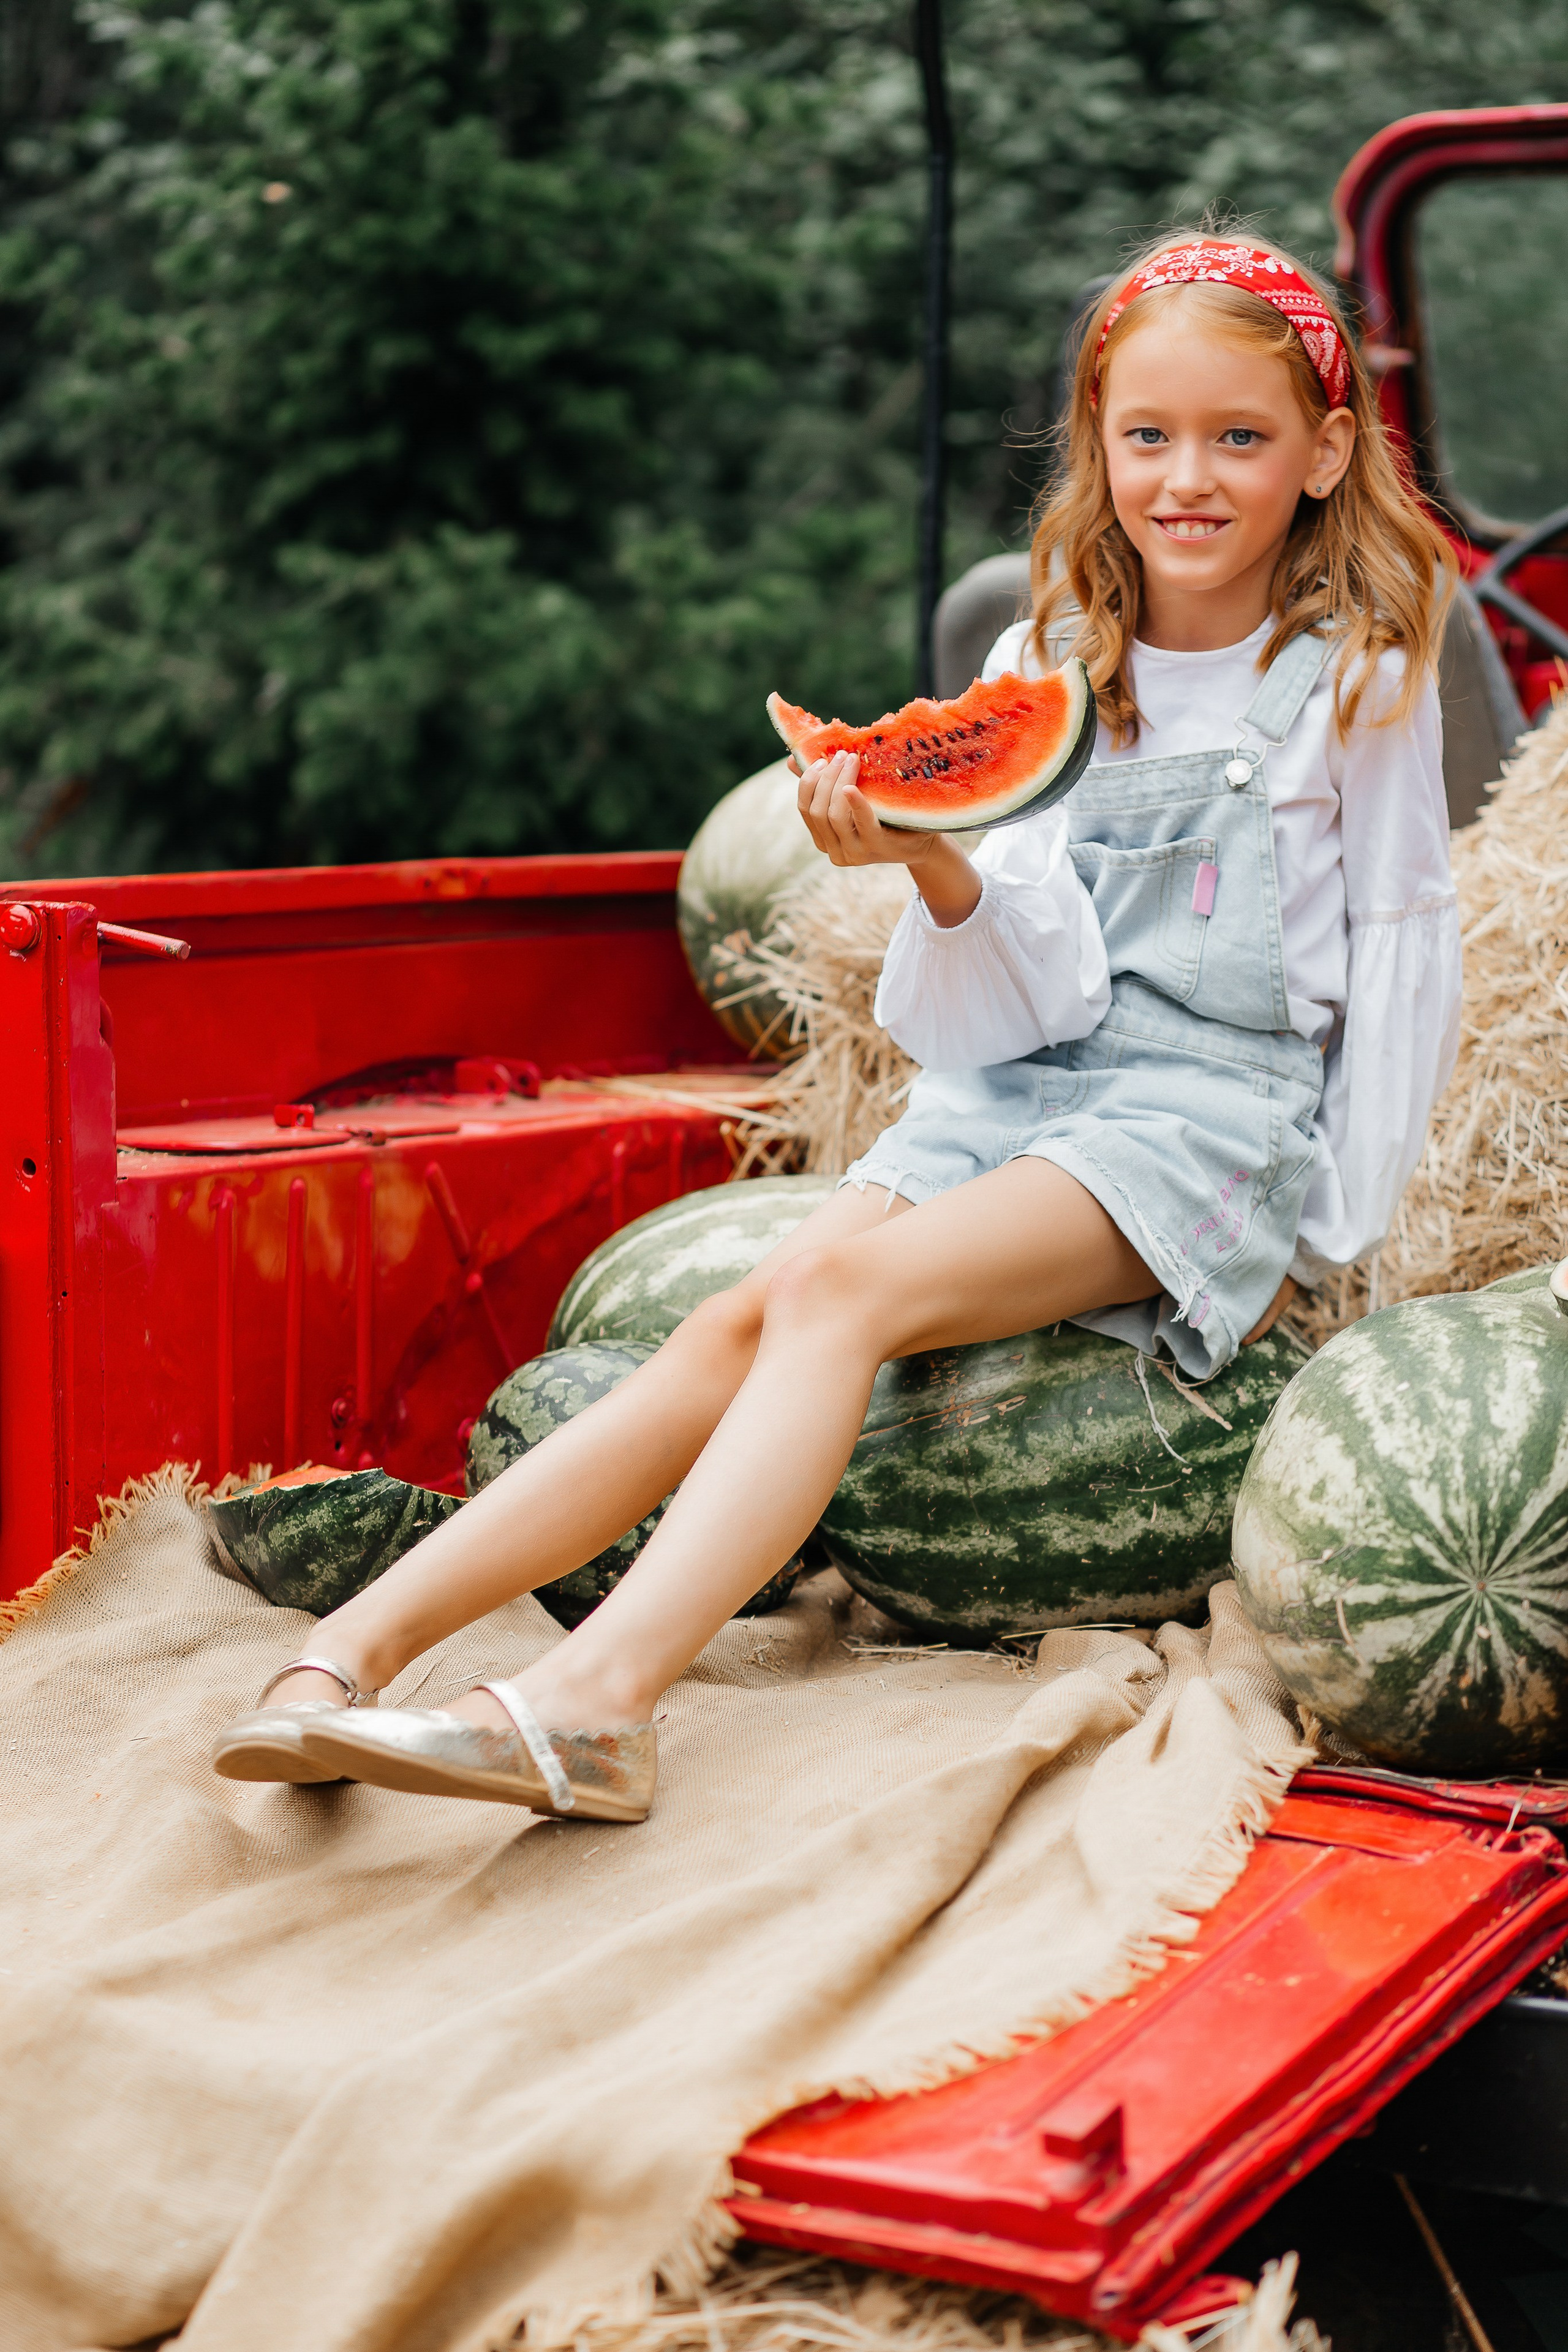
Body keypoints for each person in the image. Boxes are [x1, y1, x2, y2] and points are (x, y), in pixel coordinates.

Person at [213, 234, 1461, 1824]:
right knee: (742, 1312)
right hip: (1019, 1079)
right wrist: (928, 852)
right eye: (1147, 437)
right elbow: (1025, 988)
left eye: (1240, 438)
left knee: (842, 1295)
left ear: (1326, 452)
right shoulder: (1046, 661)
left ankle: (598, 1703)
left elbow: (1411, 953)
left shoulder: (1348, 675)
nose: (1187, 480)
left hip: (1203, 1112)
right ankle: (346, 1649)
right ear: (1099, 442)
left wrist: (1337, 1242)